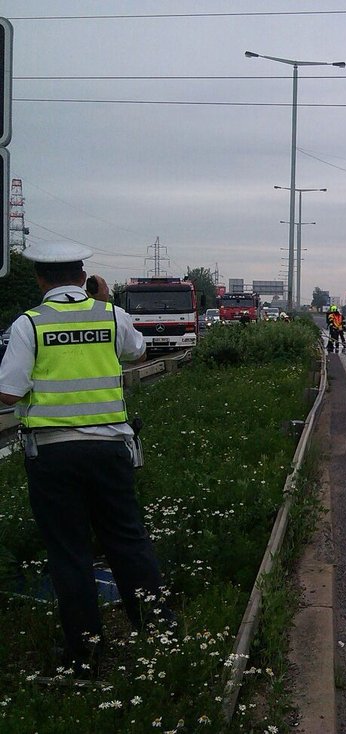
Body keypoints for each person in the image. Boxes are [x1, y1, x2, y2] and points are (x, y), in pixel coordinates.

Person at [0, 242, 171, 677]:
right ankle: (160, 637)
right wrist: (106, 302)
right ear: (83, 277)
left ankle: (85, 657)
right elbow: (138, 352)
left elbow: (9, 392)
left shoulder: (29, 324)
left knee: (69, 554)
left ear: (41, 280)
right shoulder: (109, 314)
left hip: (53, 456)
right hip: (110, 450)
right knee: (128, 543)